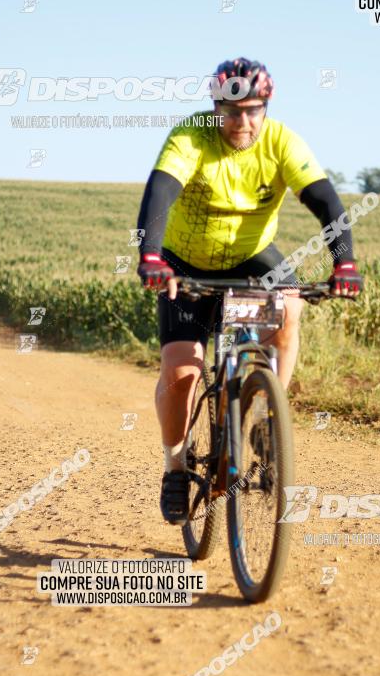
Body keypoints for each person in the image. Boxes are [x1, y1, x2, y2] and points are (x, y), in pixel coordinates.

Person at [136, 57, 362, 524]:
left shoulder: (281, 141)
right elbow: (159, 192)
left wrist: (346, 263)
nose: (242, 122)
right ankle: (175, 468)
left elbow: (325, 201)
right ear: (216, 107)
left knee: (290, 309)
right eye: (232, 111)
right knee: (182, 373)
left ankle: (266, 415)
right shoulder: (192, 136)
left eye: (253, 111)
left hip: (252, 255)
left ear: (266, 107)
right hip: (184, 261)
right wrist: (152, 257)